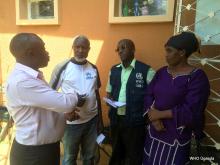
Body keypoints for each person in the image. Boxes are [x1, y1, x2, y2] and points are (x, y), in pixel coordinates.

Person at [5, 33, 82, 165]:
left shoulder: (31, 77)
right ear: (31, 53)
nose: (47, 53)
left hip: (44, 150)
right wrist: (77, 96)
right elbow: (66, 103)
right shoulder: (22, 81)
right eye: (43, 49)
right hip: (34, 155)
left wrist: (62, 116)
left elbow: (41, 111)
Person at [143, 32, 210, 165]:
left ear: (182, 53)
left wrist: (160, 114)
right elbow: (148, 94)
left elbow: (192, 110)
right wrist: (153, 118)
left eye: (169, 51)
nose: (165, 54)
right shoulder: (161, 72)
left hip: (177, 137)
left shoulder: (197, 77)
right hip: (154, 133)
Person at [50, 35, 103, 165]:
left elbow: (96, 93)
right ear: (73, 48)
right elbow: (51, 95)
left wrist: (99, 119)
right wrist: (64, 113)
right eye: (77, 47)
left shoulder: (93, 68)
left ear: (89, 49)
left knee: (89, 157)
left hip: (91, 121)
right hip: (71, 124)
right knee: (69, 158)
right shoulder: (63, 67)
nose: (80, 50)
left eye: (83, 47)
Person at [106, 39, 155, 165]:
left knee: (134, 154)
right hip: (116, 119)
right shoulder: (114, 70)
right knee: (116, 152)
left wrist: (151, 115)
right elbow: (109, 92)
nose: (120, 51)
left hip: (135, 121)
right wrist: (109, 100)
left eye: (123, 47)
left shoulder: (146, 71)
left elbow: (156, 96)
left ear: (133, 49)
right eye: (118, 49)